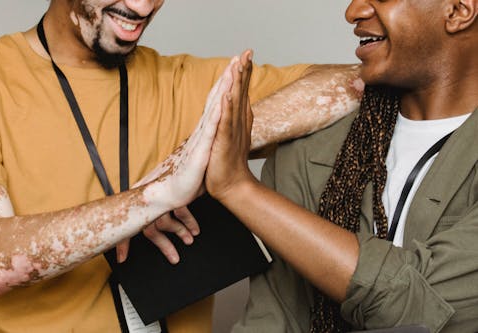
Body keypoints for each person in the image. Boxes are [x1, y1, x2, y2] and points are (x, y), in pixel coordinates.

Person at [0, 0, 364, 332]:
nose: (144, 7)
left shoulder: (184, 81)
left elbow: (358, 82)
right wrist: (150, 199)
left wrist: (206, 144)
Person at [204, 0, 478, 332]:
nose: (354, 11)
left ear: (459, 10)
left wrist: (239, 188)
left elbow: (419, 303)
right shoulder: (306, 152)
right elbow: (273, 320)